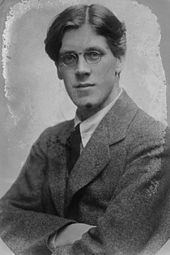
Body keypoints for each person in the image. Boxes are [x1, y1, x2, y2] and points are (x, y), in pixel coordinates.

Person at [0, 3, 170, 255]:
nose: (81, 69)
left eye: (94, 54)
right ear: (59, 69)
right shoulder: (51, 140)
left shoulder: (154, 143)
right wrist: (64, 233)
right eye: (69, 58)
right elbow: (5, 216)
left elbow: (113, 249)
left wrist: (38, 235)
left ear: (119, 60)